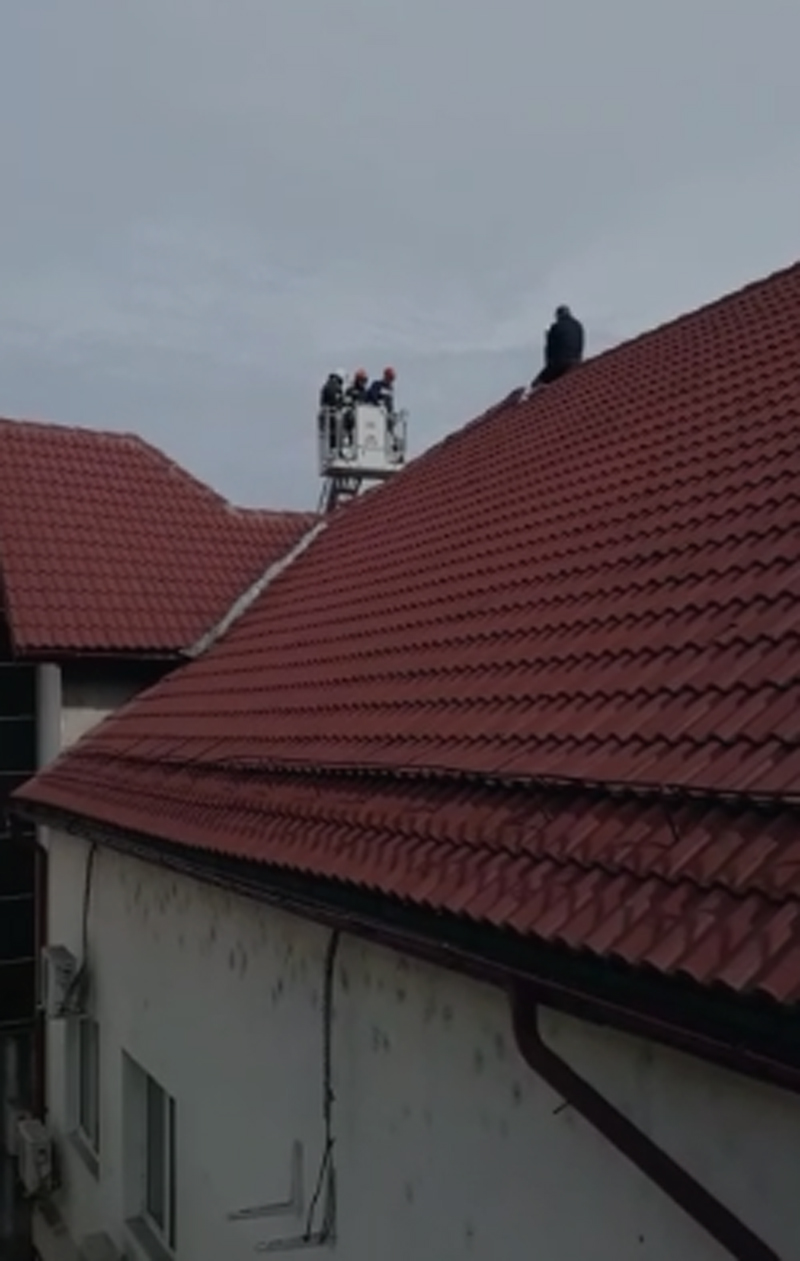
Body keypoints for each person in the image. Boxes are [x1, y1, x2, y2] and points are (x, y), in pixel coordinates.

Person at [534, 306, 585, 386]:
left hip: (560, 362)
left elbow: (550, 350)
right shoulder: (578, 325)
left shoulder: (556, 327)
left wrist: (548, 336)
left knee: (537, 384)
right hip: (576, 360)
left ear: (558, 316)